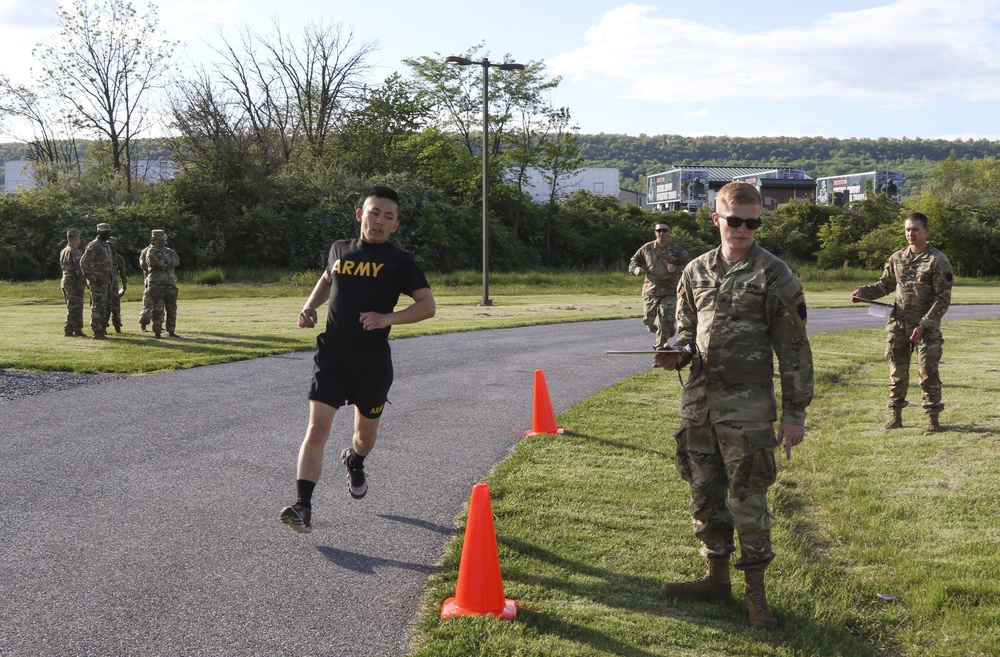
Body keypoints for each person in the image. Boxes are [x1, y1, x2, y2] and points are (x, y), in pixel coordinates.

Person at [654, 182, 814, 630]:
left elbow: (795, 350)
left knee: (748, 501)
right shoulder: (695, 271)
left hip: (748, 412)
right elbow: (684, 330)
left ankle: (756, 595)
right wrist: (676, 351)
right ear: (716, 219)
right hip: (699, 407)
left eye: (753, 221)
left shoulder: (774, 274)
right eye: (735, 220)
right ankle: (715, 578)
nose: (744, 229)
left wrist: (795, 414)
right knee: (704, 495)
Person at [280, 186, 436, 534]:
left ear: (395, 225)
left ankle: (355, 460)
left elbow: (427, 306)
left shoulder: (401, 261)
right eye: (374, 212)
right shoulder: (340, 249)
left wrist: (386, 318)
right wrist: (309, 307)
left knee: (363, 436)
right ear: (360, 215)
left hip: (371, 362)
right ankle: (303, 506)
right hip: (332, 354)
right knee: (317, 429)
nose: (379, 220)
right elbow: (325, 280)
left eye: (388, 216)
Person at [852, 212, 952, 435]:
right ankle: (896, 416)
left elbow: (942, 299)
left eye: (915, 229)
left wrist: (925, 324)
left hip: (926, 328)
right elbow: (885, 285)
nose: (910, 234)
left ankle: (933, 420)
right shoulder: (897, 258)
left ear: (926, 230)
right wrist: (864, 292)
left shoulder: (937, 260)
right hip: (899, 325)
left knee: (928, 372)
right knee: (897, 372)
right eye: (907, 229)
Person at [629, 221, 691, 347]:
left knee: (663, 319)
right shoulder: (647, 248)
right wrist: (636, 270)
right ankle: (668, 330)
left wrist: (677, 269)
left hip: (670, 292)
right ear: (655, 233)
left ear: (669, 233)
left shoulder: (677, 250)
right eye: (659, 231)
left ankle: (659, 350)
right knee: (649, 321)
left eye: (664, 230)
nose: (661, 233)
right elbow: (633, 261)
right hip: (650, 291)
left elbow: (690, 267)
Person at [79, 222, 115, 340]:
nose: (108, 234)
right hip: (98, 282)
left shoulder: (106, 245)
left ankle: (102, 328)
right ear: (98, 233)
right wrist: (92, 278)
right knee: (98, 306)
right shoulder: (94, 245)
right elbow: (84, 262)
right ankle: (97, 330)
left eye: (108, 232)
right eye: (105, 232)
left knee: (106, 306)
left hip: (107, 281)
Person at [146, 229, 180, 338]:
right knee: (158, 308)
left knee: (172, 308)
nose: (163, 242)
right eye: (160, 239)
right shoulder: (151, 251)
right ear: (154, 239)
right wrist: (167, 263)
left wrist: (165, 263)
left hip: (170, 283)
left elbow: (177, 261)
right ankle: (157, 331)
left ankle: (171, 330)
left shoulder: (169, 251)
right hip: (157, 283)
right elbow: (156, 264)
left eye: (164, 239)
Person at [59, 228, 87, 337]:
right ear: (76, 238)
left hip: (65, 280)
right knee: (74, 307)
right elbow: (79, 268)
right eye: (79, 238)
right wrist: (85, 281)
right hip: (74, 282)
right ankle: (69, 329)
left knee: (73, 305)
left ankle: (77, 329)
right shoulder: (74, 251)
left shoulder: (63, 250)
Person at [104, 237, 128, 334]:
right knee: (104, 307)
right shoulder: (102, 257)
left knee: (116, 308)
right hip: (104, 285)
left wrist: (124, 286)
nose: (109, 247)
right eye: (108, 245)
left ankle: (117, 327)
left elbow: (122, 273)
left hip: (114, 286)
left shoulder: (118, 258)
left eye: (111, 245)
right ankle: (103, 327)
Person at [137, 241, 152, 331]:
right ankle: (143, 325)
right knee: (147, 304)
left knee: (160, 305)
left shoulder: (165, 250)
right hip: (150, 281)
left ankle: (158, 324)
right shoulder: (145, 251)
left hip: (161, 281)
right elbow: (143, 265)